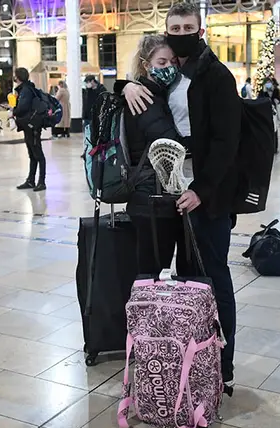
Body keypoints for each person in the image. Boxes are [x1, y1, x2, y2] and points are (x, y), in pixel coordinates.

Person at [120, 1, 242, 393]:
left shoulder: (216, 76)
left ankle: (221, 366)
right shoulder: (170, 76)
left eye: (188, 27)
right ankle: (180, 358)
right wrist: (127, 85)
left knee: (210, 280)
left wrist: (200, 191)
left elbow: (228, 143)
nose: (181, 33)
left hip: (207, 198)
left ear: (200, 30)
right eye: (175, 28)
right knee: (175, 282)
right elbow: (138, 91)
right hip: (167, 196)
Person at [122, 35, 190, 277]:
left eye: (172, 62)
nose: (169, 68)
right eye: (161, 62)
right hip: (152, 199)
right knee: (150, 273)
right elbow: (170, 142)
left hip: (151, 197)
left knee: (151, 269)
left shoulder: (153, 93)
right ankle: (143, 314)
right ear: (146, 64)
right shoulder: (146, 98)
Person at [11, 67, 47, 192]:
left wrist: (13, 111)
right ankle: (31, 180)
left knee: (38, 154)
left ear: (18, 77)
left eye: (15, 76)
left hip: (33, 126)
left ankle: (41, 181)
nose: (14, 78)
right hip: (28, 126)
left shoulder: (26, 90)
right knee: (32, 154)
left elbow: (22, 108)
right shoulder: (25, 89)